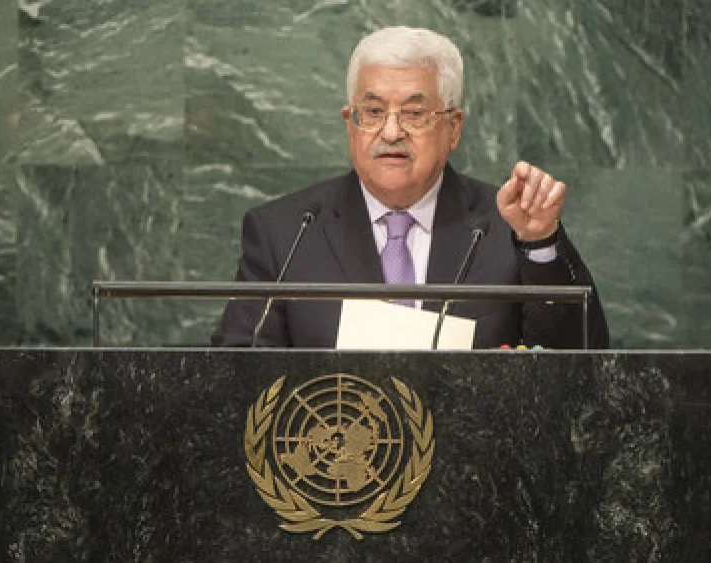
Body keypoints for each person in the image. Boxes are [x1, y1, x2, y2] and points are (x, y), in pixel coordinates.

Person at [211, 26, 609, 349]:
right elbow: (238, 374)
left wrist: (539, 243)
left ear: (453, 128)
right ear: (350, 122)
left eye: (415, 114)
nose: (390, 131)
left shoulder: (509, 225)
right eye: (373, 111)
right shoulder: (285, 233)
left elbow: (579, 364)